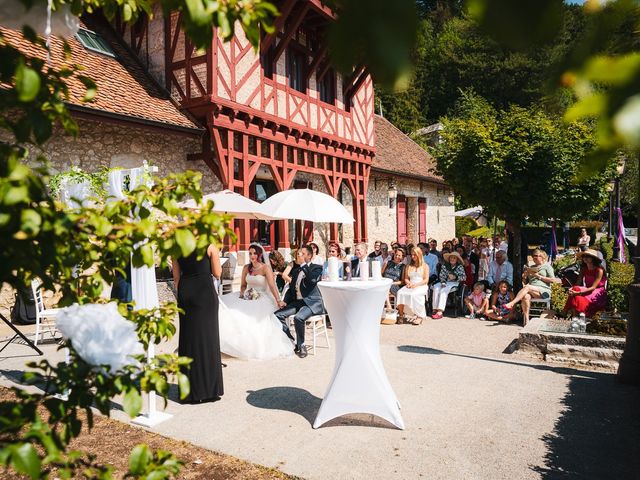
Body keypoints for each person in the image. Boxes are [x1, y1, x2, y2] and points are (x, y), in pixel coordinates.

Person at [217, 244, 293, 360]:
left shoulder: (265, 268)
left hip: (262, 297)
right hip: (248, 295)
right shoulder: (246, 268)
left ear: (259, 255)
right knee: (230, 310)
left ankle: (254, 347)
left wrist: (278, 300)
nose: (252, 256)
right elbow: (243, 285)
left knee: (252, 316)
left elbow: (272, 286)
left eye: (254, 253)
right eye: (250, 253)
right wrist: (243, 293)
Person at [172, 244, 224, 403]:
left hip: (186, 292)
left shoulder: (176, 248)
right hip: (205, 292)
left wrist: (183, 293)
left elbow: (176, 278)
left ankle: (189, 391)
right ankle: (208, 389)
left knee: (188, 339)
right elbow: (217, 273)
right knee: (208, 339)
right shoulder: (210, 247)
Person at [274, 245, 324, 358]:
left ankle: (302, 344)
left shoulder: (317, 268)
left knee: (298, 318)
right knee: (277, 315)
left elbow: (312, 280)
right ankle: (292, 341)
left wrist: (303, 265)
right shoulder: (296, 271)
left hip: (312, 303)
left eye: (302, 253)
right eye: (299, 253)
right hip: (298, 302)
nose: (299, 255)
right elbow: (291, 290)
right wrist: (285, 302)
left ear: (309, 256)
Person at [503, 249, 555, 326]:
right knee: (526, 296)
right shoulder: (531, 267)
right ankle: (526, 320)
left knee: (527, 288)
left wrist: (538, 276)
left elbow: (553, 280)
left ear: (543, 257)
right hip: (532, 289)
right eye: (534, 256)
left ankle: (512, 303)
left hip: (544, 290)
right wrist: (524, 277)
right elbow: (526, 282)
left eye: (538, 256)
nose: (536, 257)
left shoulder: (547, 266)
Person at [564, 249, 608, 318]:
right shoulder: (583, 268)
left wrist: (578, 293)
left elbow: (593, 287)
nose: (585, 258)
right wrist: (572, 289)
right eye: (584, 256)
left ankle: (568, 313)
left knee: (576, 294)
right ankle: (574, 315)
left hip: (597, 291)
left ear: (593, 258)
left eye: (588, 256)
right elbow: (578, 283)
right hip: (588, 288)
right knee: (575, 289)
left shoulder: (599, 270)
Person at [396, 247, 430, 325]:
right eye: (412, 255)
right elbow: (406, 278)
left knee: (414, 295)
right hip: (411, 284)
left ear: (419, 255)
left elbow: (426, 280)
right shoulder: (409, 266)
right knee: (400, 293)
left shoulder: (425, 266)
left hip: (421, 285)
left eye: (415, 255)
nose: (413, 256)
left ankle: (419, 316)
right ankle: (401, 315)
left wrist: (416, 285)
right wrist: (409, 283)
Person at [431, 251, 466, 319]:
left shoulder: (460, 267)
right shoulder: (445, 265)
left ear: (457, 260)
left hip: (454, 283)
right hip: (445, 281)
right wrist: (443, 282)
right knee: (436, 287)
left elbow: (464, 277)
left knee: (444, 290)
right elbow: (442, 275)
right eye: (451, 258)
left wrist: (455, 277)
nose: (452, 259)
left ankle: (440, 311)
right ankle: (434, 308)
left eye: (454, 258)